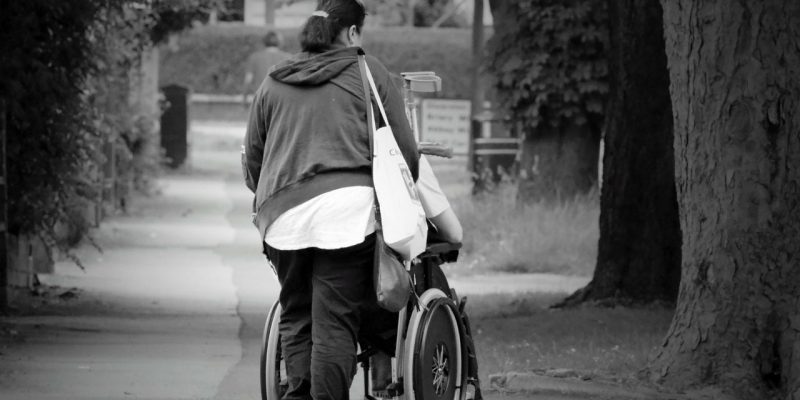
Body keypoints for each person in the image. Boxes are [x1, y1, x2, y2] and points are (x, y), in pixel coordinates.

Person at [241, 0, 418, 398]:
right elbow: (404, 151)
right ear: (352, 32)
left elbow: (254, 157)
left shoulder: (274, 79)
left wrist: (270, 197)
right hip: (347, 214)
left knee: (296, 313)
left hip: (282, 215)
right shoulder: (368, 71)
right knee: (334, 320)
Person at [242, 30, 291, 105]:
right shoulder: (288, 58)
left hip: (261, 100)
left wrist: (244, 99)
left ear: (264, 42)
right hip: (281, 102)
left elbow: (248, 81)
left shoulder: (254, 57)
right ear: (279, 42)